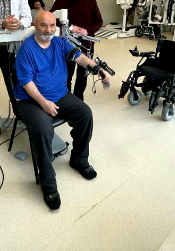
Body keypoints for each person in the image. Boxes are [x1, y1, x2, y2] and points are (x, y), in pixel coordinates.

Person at [14, 11, 111, 210]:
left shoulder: (59, 43)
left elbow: (80, 57)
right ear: (35, 25)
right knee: (43, 129)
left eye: (52, 25)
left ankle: (79, 161)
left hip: (59, 94)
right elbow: (26, 82)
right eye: (43, 25)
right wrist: (43, 103)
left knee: (85, 114)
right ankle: (48, 184)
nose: (48, 30)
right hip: (31, 100)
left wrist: (97, 69)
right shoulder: (26, 49)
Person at [50, 0, 103, 100]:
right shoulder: (60, 2)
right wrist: (69, 28)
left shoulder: (90, 1)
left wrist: (87, 31)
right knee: (66, 76)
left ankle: (78, 100)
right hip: (65, 47)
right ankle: (67, 100)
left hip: (86, 46)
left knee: (82, 76)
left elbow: (99, 21)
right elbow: (50, 20)